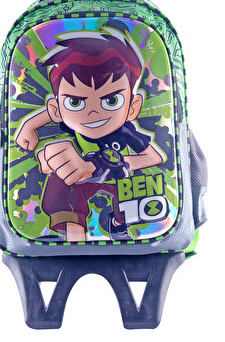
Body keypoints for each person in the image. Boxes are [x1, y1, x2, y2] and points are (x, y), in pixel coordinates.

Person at [15, 27, 165, 242]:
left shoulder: (124, 132)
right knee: (60, 181)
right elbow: (56, 111)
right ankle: (73, 235)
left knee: (135, 186)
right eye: (75, 102)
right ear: (58, 109)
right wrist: (29, 126)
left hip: (116, 178)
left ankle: (119, 224)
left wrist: (107, 164)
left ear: (133, 107)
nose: (92, 113)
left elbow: (154, 157)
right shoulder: (71, 121)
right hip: (81, 181)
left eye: (111, 100)